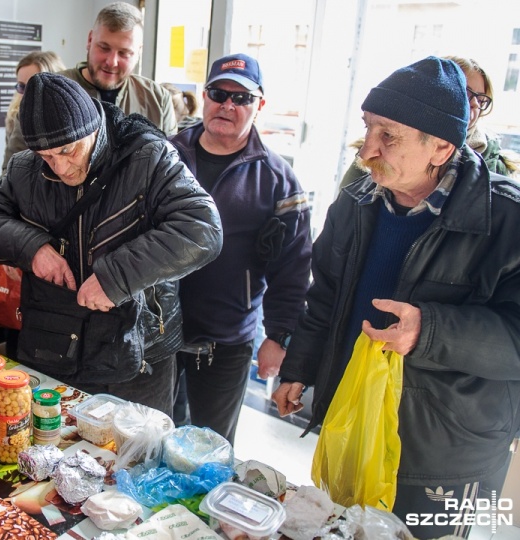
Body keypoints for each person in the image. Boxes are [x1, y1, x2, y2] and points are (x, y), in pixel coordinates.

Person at [272, 56, 520, 538]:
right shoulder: (358, 199)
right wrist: (298, 368)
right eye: (368, 128)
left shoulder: (507, 220)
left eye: (389, 136)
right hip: (353, 421)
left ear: (442, 146)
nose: (368, 148)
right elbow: (324, 295)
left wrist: (429, 331)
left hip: (444, 456)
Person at [0, 73, 222, 417]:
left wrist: (116, 278)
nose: (59, 166)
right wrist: (32, 248)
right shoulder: (25, 168)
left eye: (67, 150)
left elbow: (203, 228)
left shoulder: (149, 157)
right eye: (45, 155)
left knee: (137, 461)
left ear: (93, 128)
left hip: (137, 351)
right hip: (53, 345)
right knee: (49, 455)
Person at [169, 53, 312, 444]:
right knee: (153, 437)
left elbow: (294, 269)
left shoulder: (279, 180)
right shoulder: (165, 156)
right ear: (205, 96)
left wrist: (279, 336)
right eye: (219, 93)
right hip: (158, 328)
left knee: (210, 449)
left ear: (259, 105)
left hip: (226, 340)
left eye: (242, 98)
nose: (228, 105)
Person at [2, 2, 177, 171]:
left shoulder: (158, 100)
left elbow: (170, 171)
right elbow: (13, 172)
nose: (112, 61)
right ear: (90, 39)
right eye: (104, 47)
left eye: (124, 53)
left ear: (138, 52)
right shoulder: (47, 94)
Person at [340, 56, 519, 187]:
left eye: (481, 99)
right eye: (465, 92)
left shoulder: (497, 169)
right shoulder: (375, 152)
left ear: (442, 149)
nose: (473, 104)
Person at [2, 50, 66, 169]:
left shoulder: (69, 119)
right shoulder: (14, 116)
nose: (26, 94)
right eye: (21, 87)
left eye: (33, 87)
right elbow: (9, 167)